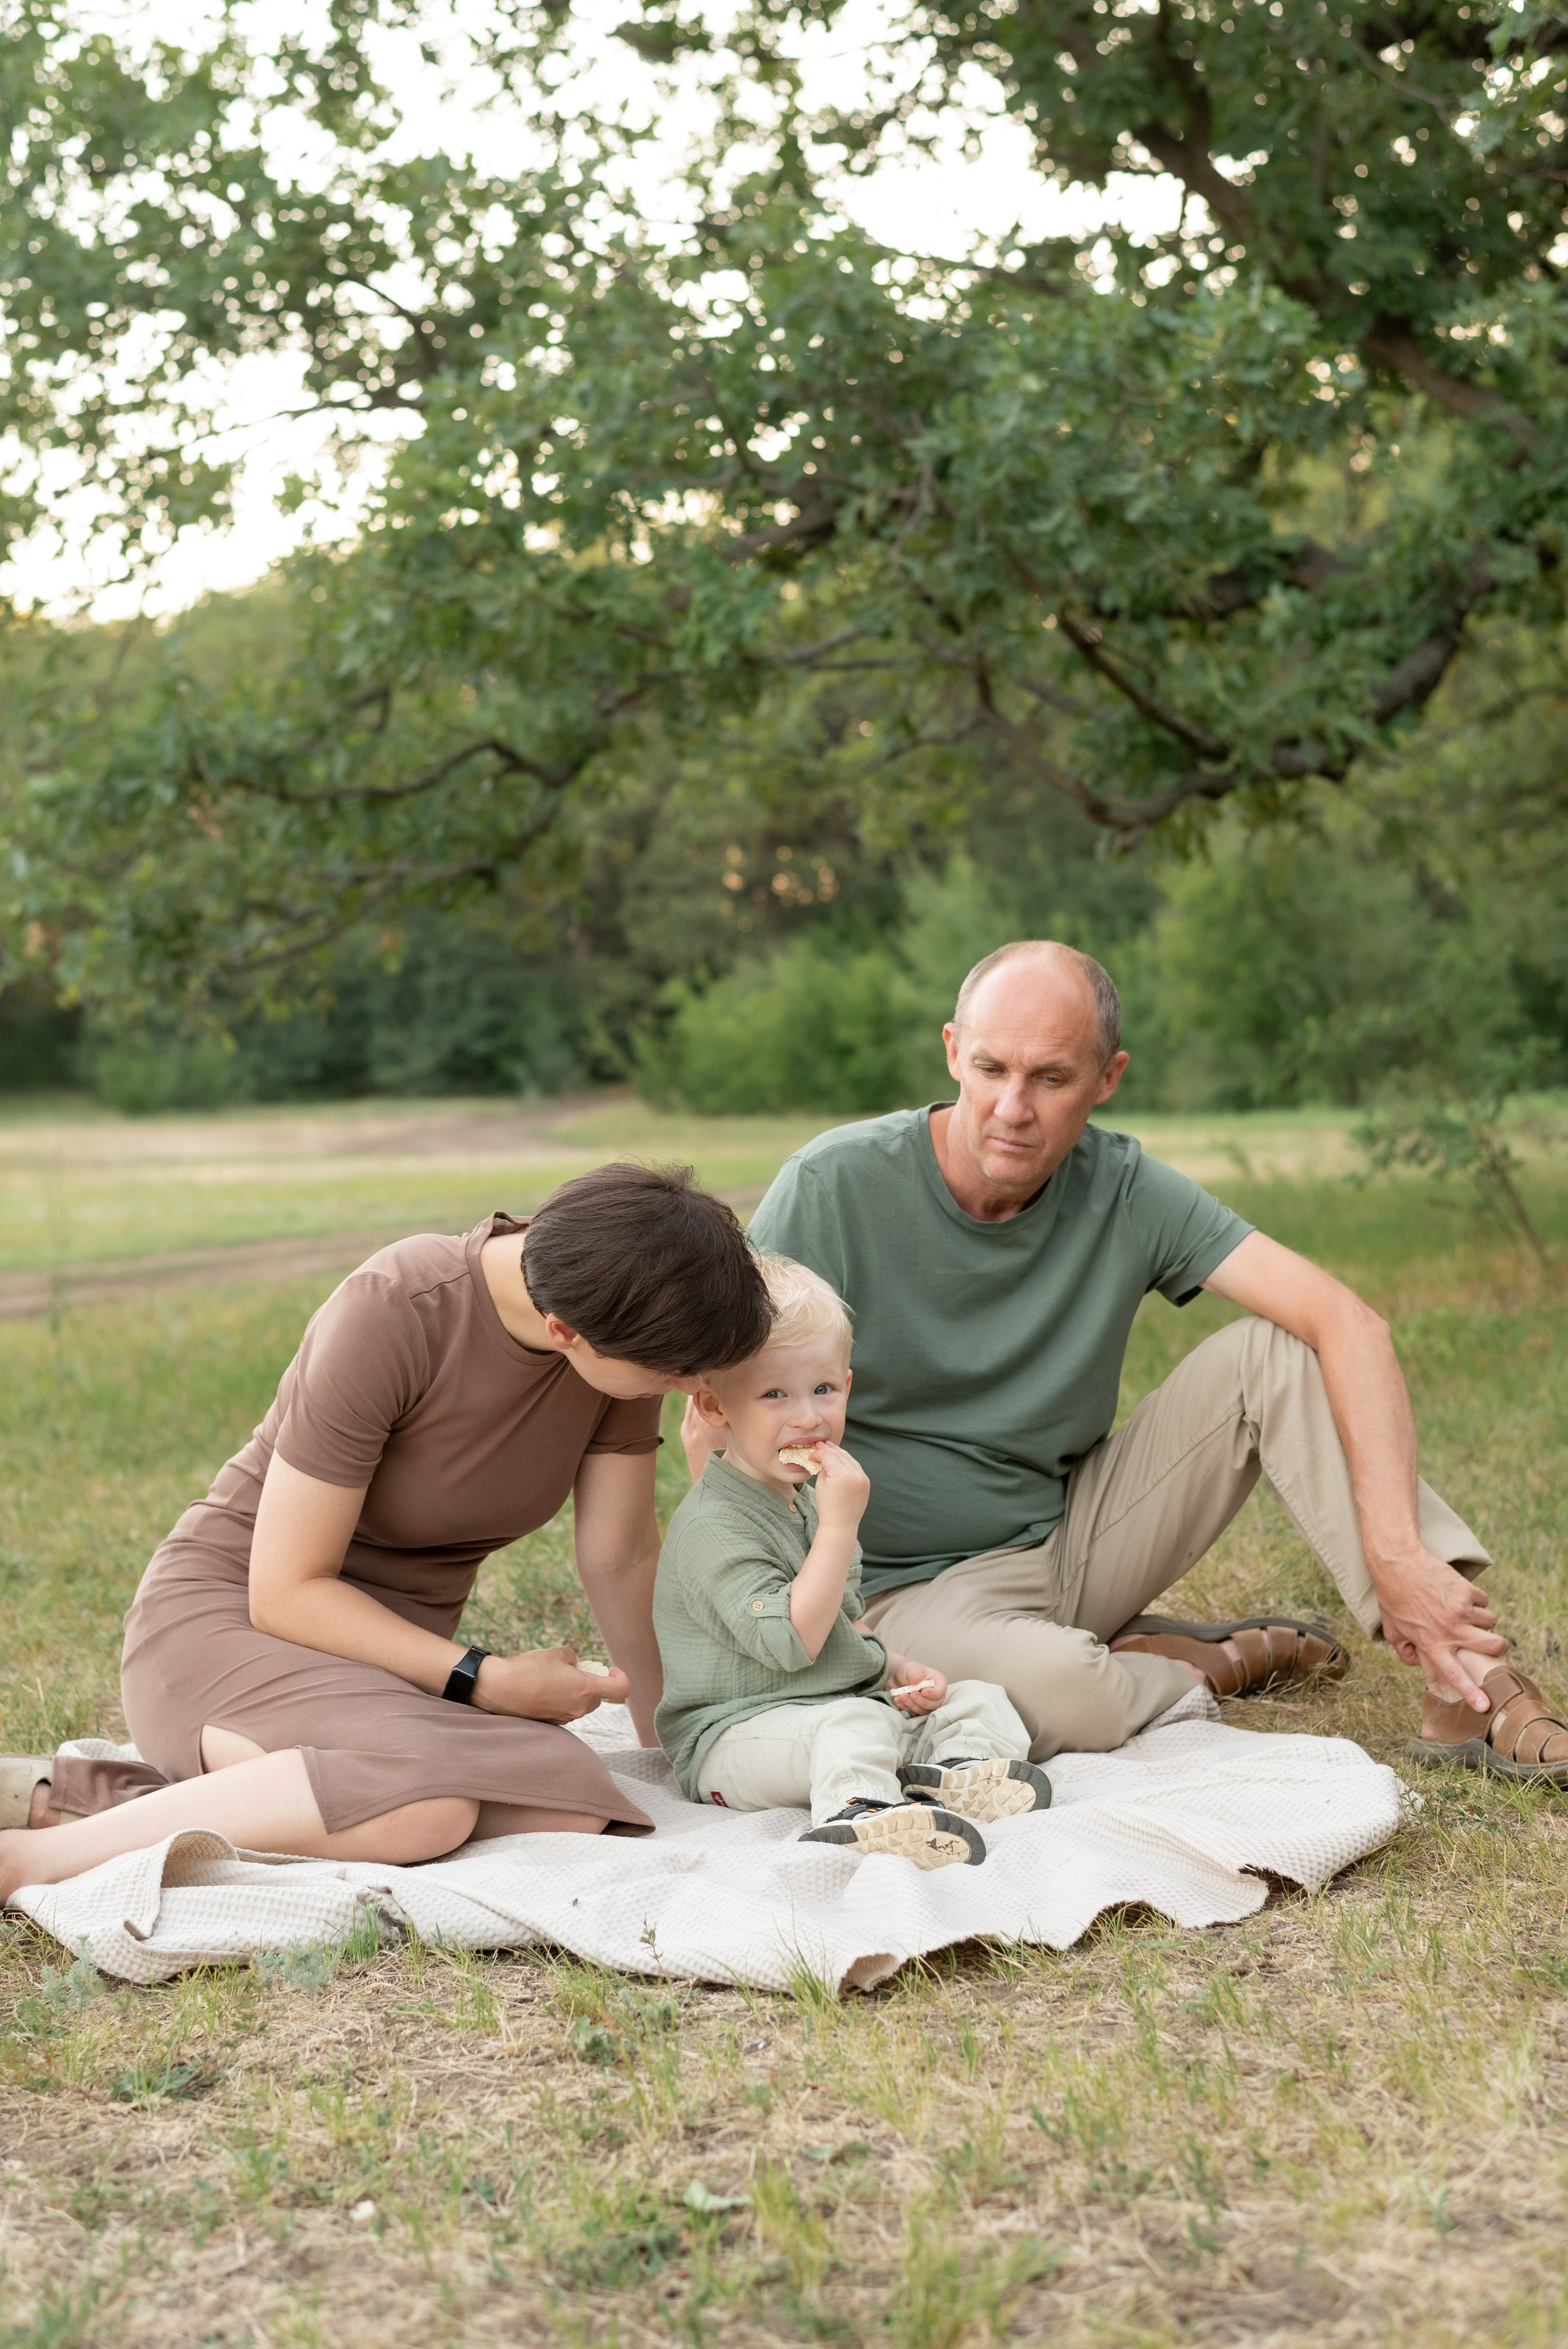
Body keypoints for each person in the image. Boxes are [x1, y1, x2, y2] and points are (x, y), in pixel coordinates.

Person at [681, 940, 1568, 1785]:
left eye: (1052, 1077)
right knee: (1073, 1695)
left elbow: (1350, 1323)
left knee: (1279, 1349)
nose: (1013, 1107)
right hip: (896, 1588)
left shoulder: (1125, 1188)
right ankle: (1192, 1666)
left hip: (1071, 1538)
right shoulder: (834, 1185)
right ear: (953, 1052)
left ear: (1108, 1078)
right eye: (991, 1069)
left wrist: (1396, 1550)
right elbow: (722, 1405)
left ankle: (1471, 1686)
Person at [0, 1163, 776, 1903]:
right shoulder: (395, 1307)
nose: (691, 1389)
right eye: (677, 1373)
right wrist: (485, 1679)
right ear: (565, 1328)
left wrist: (670, 1731)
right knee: (423, 1810)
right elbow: (285, 1590)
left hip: (393, 1669)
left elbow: (623, 1555)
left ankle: (110, 1800)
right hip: (229, 1622)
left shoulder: (616, 1342)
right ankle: (32, 1860)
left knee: (570, 1804)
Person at [655, 1255, 1052, 1869]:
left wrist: (891, 1665)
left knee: (978, 1698)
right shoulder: (714, 1526)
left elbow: (842, 1616)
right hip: (733, 1739)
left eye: (823, 1389)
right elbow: (791, 1641)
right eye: (774, 1394)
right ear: (714, 1409)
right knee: (851, 1726)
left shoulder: (811, 1499)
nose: (809, 1416)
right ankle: (859, 1814)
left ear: (847, 1384)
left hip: (830, 1712)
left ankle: (949, 1777)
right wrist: (840, 1527)